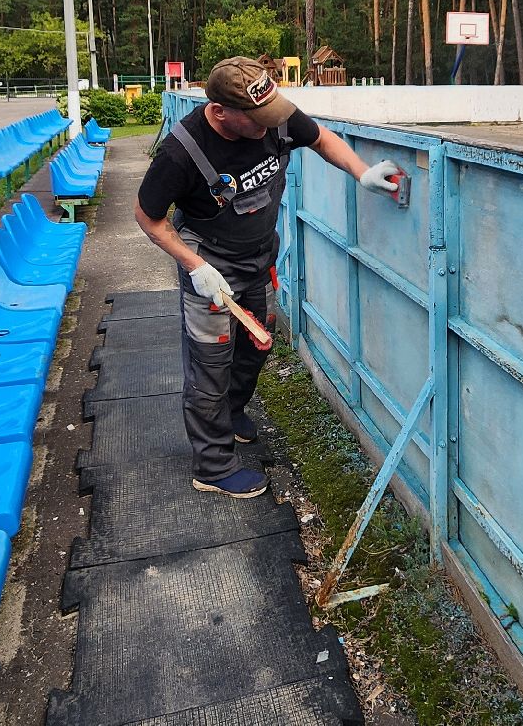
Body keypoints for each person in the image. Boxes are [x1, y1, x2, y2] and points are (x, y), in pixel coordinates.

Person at [135, 57, 400, 498]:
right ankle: (213, 466)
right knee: (209, 365)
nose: (270, 125)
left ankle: (234, 411)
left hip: (258, 257)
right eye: (255, 119)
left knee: (259, 340)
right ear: (219, 111)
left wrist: (362, 172)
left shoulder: (272, 114)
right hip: (211, 266)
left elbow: (321, 139)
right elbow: (148, 218)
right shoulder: (182, 152)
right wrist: (194, 266)